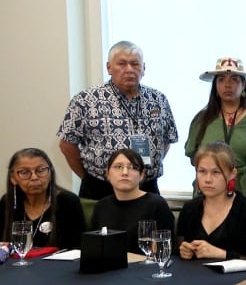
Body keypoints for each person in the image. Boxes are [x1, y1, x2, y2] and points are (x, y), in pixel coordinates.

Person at [57, 40, 179, 200]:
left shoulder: (158, 99)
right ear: (109, 68)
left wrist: (143, 170)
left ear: (144, 68)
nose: (129, 69)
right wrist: (88, 178)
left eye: (135, 64)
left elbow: (166, 139)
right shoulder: (85, 100)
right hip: (100, 189)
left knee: (148, 226)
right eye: (121, 64)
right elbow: (67, 144)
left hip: (147, 188)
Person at [185, 57, 246, 209]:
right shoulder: (202, 119)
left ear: (244, 85)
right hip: (210, 193)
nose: (227, 84)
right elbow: (194, 158)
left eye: (235, 79)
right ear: (215, 86)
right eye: (221, 79)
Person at [179, 141, 246, 260]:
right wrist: (183, 252)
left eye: (216, 172)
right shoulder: (189, 209)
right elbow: (176, 256)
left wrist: (221, 254)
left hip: (238, 278)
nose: (208, 179)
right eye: (202, 171)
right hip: (195, 276)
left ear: (232, 174)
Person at [91, 148, 175, 254]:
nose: (125, 172)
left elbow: (168, 248)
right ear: (107, 174)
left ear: (141, 175)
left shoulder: (156, 204)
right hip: (109, 268)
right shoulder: (101, 206)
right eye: (118, 167)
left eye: (133, 167)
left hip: (145, 268)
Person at [0, 148, 85, 250]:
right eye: (25, 172)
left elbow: (77, 249)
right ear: (13, 178)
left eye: (41, 170)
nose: (34, 177)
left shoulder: (67, 201)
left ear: (51, 173)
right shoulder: (7, 202)